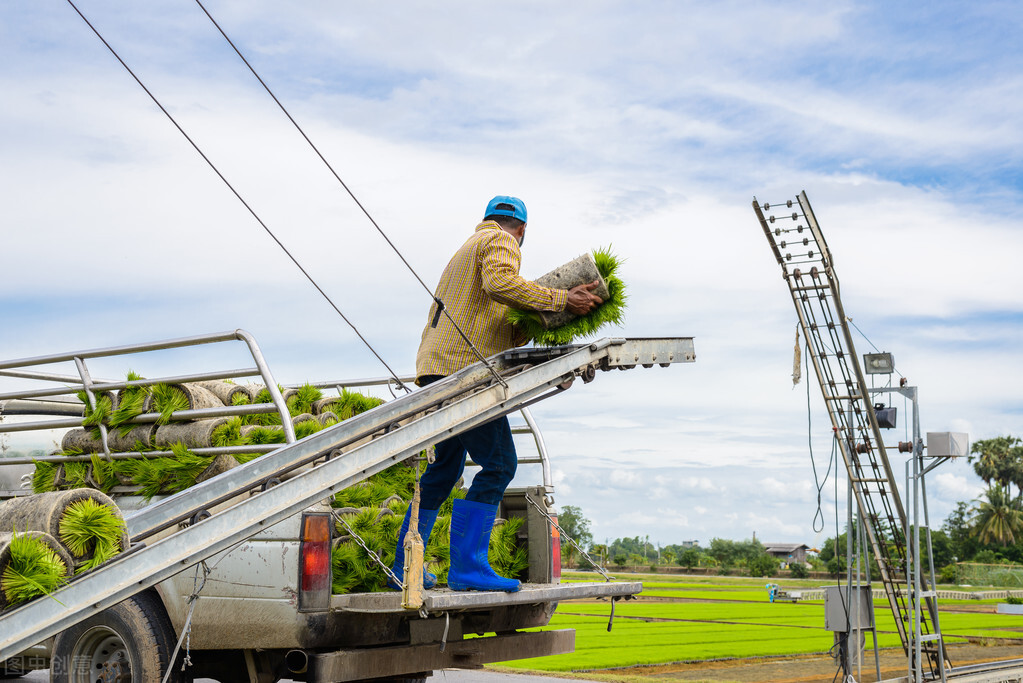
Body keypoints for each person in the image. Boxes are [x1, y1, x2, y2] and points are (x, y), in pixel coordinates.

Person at [389, 195, 603, 593]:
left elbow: (497, 316)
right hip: (465, 372)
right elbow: (501, 282)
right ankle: (468, 567)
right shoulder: (501, 242)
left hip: (437, 368)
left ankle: (405, 566)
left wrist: (545, 319)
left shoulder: (467, 249)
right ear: (521, 229)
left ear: (487, 217)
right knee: (501, 463)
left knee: (446, 469)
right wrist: (562, 299)